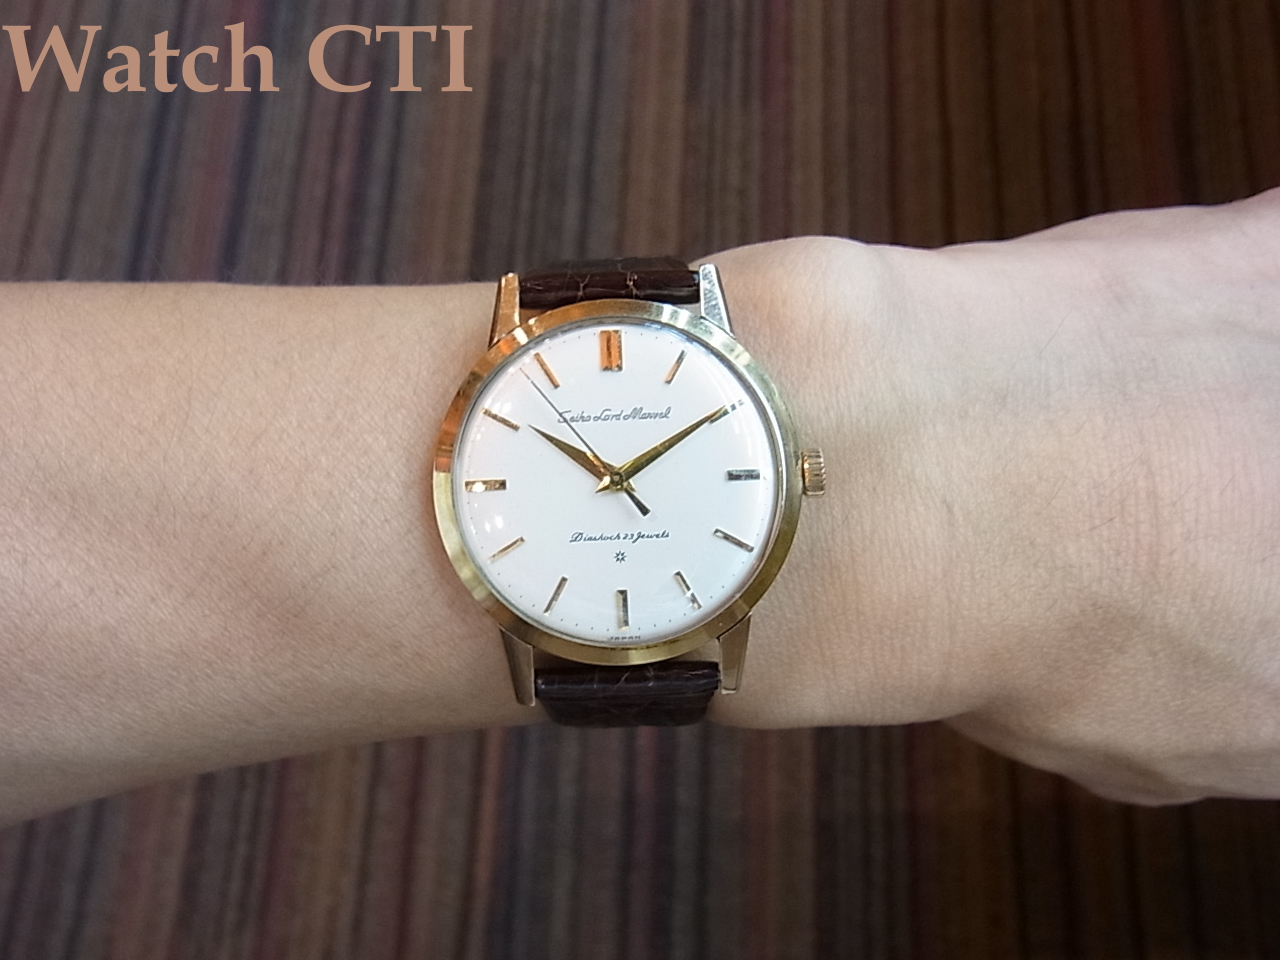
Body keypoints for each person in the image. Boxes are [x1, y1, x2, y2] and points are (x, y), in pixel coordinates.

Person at [1, 189, 1277, 825]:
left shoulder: (678, 471)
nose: (612, 481)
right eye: (603, 470)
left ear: (797, 470)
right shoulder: (491, 443)